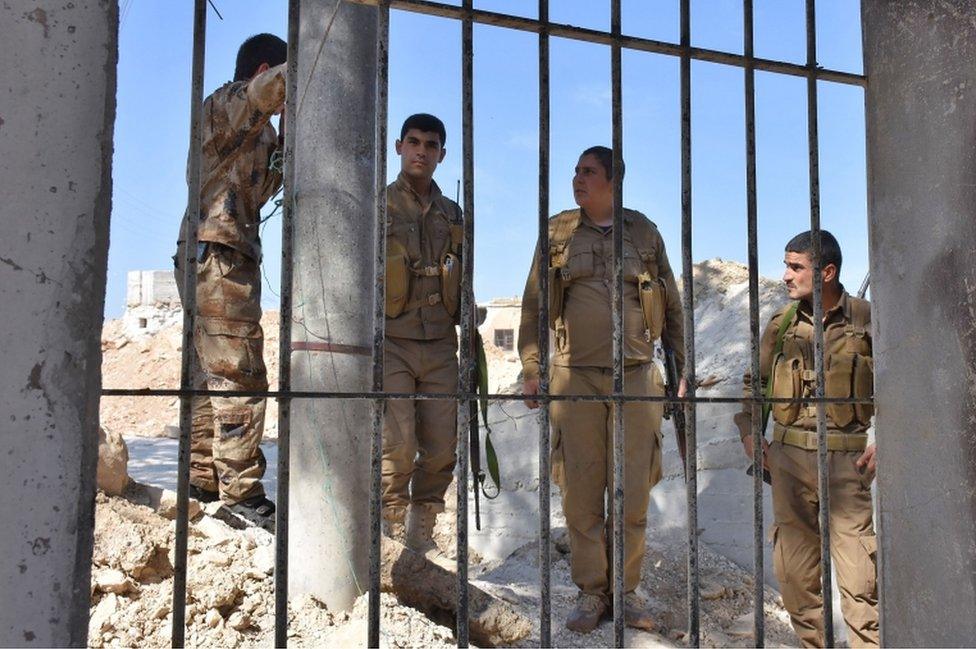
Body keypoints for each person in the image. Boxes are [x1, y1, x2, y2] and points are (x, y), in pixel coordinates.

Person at [518, 146, 686, 633]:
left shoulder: (644, 232)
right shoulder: (558, 232)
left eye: (588, 172)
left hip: (636, 377)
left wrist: (682, 366)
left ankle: (626, 592)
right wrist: (532, 367)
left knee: (631, 493)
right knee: (582, 492)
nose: (577, 178)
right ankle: (592, 593)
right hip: (576, 378)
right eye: (575, 171)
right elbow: (533, 305)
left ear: (613, 181)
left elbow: (671, 305)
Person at [733, 230, 878, 647]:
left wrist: (887, 443)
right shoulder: (780, 325)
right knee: (796, 580)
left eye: (796, 267)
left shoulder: (867, 319)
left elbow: (899, 384)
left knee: (861, 583)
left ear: (827, 272)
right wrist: (748, 432)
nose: (785, 275)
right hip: (789, 462)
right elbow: (754, 383)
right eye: (787, 265)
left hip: (847, 466)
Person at [173, 33, 287, 532]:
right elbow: (264, 93)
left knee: (205, 375)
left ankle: (201, 479)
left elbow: (264, 187)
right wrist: (312, 67)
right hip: (215, 255)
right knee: (238, 373)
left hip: (219, 254)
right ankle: (242, 493)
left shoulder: (261, 134)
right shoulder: (226, 104)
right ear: (264, 71)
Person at [380, 113, 463, 557]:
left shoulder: (452, 213)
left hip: (439, 344)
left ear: (442, 155)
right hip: (392, 340)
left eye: (431, 145)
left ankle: (421, 536)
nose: (421, 151)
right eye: (413, 142)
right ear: (398, 147)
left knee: (440, 449)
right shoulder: (380, 205)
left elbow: (463, 272)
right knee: (396, 446)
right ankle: (390, 539)